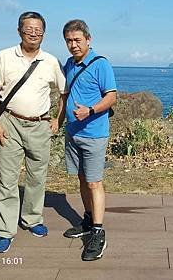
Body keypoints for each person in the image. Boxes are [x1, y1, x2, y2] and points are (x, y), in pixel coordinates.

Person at [0, 11, 67, 253]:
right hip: (9, 123)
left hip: (40, 125)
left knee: (37, 177)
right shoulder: (4, 56)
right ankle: (5, 230)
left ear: (44, 33)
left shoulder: (51, 61)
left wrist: (57, 120)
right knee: (7, 179)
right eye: (28, 28)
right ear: (19, 30)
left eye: (38, 29)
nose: (33, 33)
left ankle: (32, 219)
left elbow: (64, 92)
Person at [61, 19, 117, 261]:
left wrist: (90, 111)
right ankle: (87, 219)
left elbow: (112, 97)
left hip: (94, 134)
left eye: (77, 40)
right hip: (73, 133)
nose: (73, 45)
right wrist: (58, 119)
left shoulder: (100, 64)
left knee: (95, 182)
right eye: (69, 41)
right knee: (82, 178)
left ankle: (97, 231)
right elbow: (64, 95)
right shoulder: (69, 64)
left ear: (88, 39)